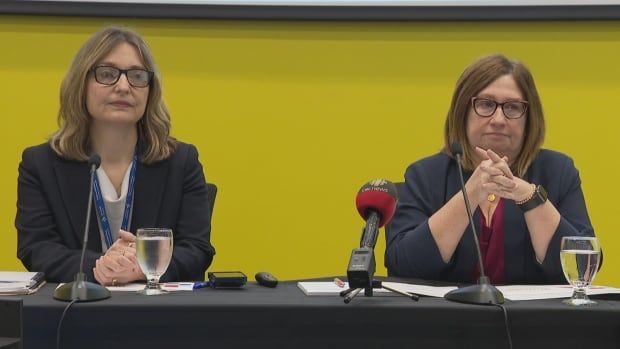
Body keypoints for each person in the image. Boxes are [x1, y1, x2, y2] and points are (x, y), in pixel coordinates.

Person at [15, 26, 215, 285]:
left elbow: (198, 249)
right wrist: (98, 266)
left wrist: (142, 267)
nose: (123, 86)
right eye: (107, 74)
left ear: (149, 90)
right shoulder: (40, 164)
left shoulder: (181, 162)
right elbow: (37, 248)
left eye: (137, 76)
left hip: (158, 314)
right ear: (81, 84)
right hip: (74, 314)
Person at [385, 54, 596, 284]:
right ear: (462, 112)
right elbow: (402, 267)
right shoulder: (425, 175)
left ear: (529, 118)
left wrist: (529, 196)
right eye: (486, 104)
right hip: (444, 318)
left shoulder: (557, 171)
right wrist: (473, 192)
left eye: (512, 107)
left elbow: (582, 267)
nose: (498, 119)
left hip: (535, 319)